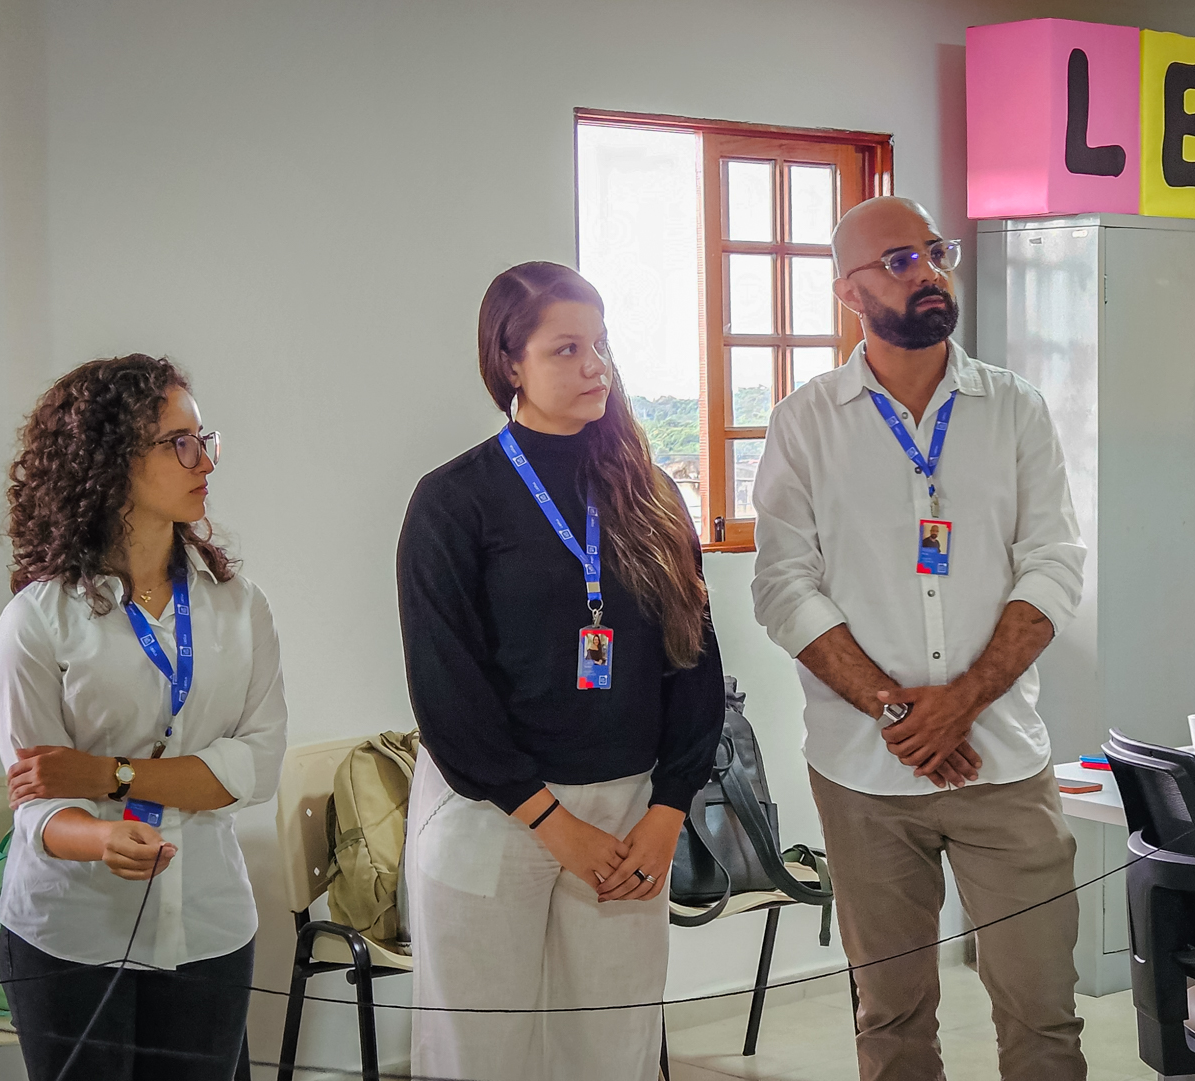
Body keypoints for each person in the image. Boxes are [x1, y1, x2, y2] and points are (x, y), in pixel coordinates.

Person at [751, 196, 1087, 1081]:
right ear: (848, 292)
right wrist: (899, 711)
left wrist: (961, 702)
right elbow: (783, 586)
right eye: (899, 261)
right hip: (864, 772)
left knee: (1044, 1015)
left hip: (1000, 765)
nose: (929, 272)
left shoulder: (1014, 409)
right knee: (892, 1021)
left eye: (936, 252)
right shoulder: (805, 422)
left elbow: (1054, 566)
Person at [396, 261, 724, 1079]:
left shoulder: (650, 493)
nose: (594, 366)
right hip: (493, 814)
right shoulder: (452, 499)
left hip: (630, 813)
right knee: (481, 1056)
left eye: (601, 344)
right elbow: (446, 687)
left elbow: (694, 662)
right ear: (510, 363)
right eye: (567, 348)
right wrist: (551, 822)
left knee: (611, 1052)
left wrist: (669, 808)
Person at [0, 354, 287, 1081]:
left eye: (204, 439)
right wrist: (99, 836)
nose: (204, 460)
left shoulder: (239, 605)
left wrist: (105, 775)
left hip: (209, 925)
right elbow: (39, 801)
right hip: (72, 933)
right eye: (179, 442)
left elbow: (255, 769)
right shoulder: (37, 620)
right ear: (109, 461)